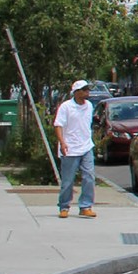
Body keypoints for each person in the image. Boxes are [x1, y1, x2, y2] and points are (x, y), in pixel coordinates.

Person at [52, 79, 98, 219]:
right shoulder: (66, 107)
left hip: (86, 146)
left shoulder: (89, 106)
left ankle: (85, 206)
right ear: (76, 92)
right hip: (70, 149)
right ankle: (64, 206)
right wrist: (62, 143)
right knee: (68, 181)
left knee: (89, 176)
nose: (87, 92)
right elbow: (58, 125)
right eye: (84, 90)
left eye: (88, 90)